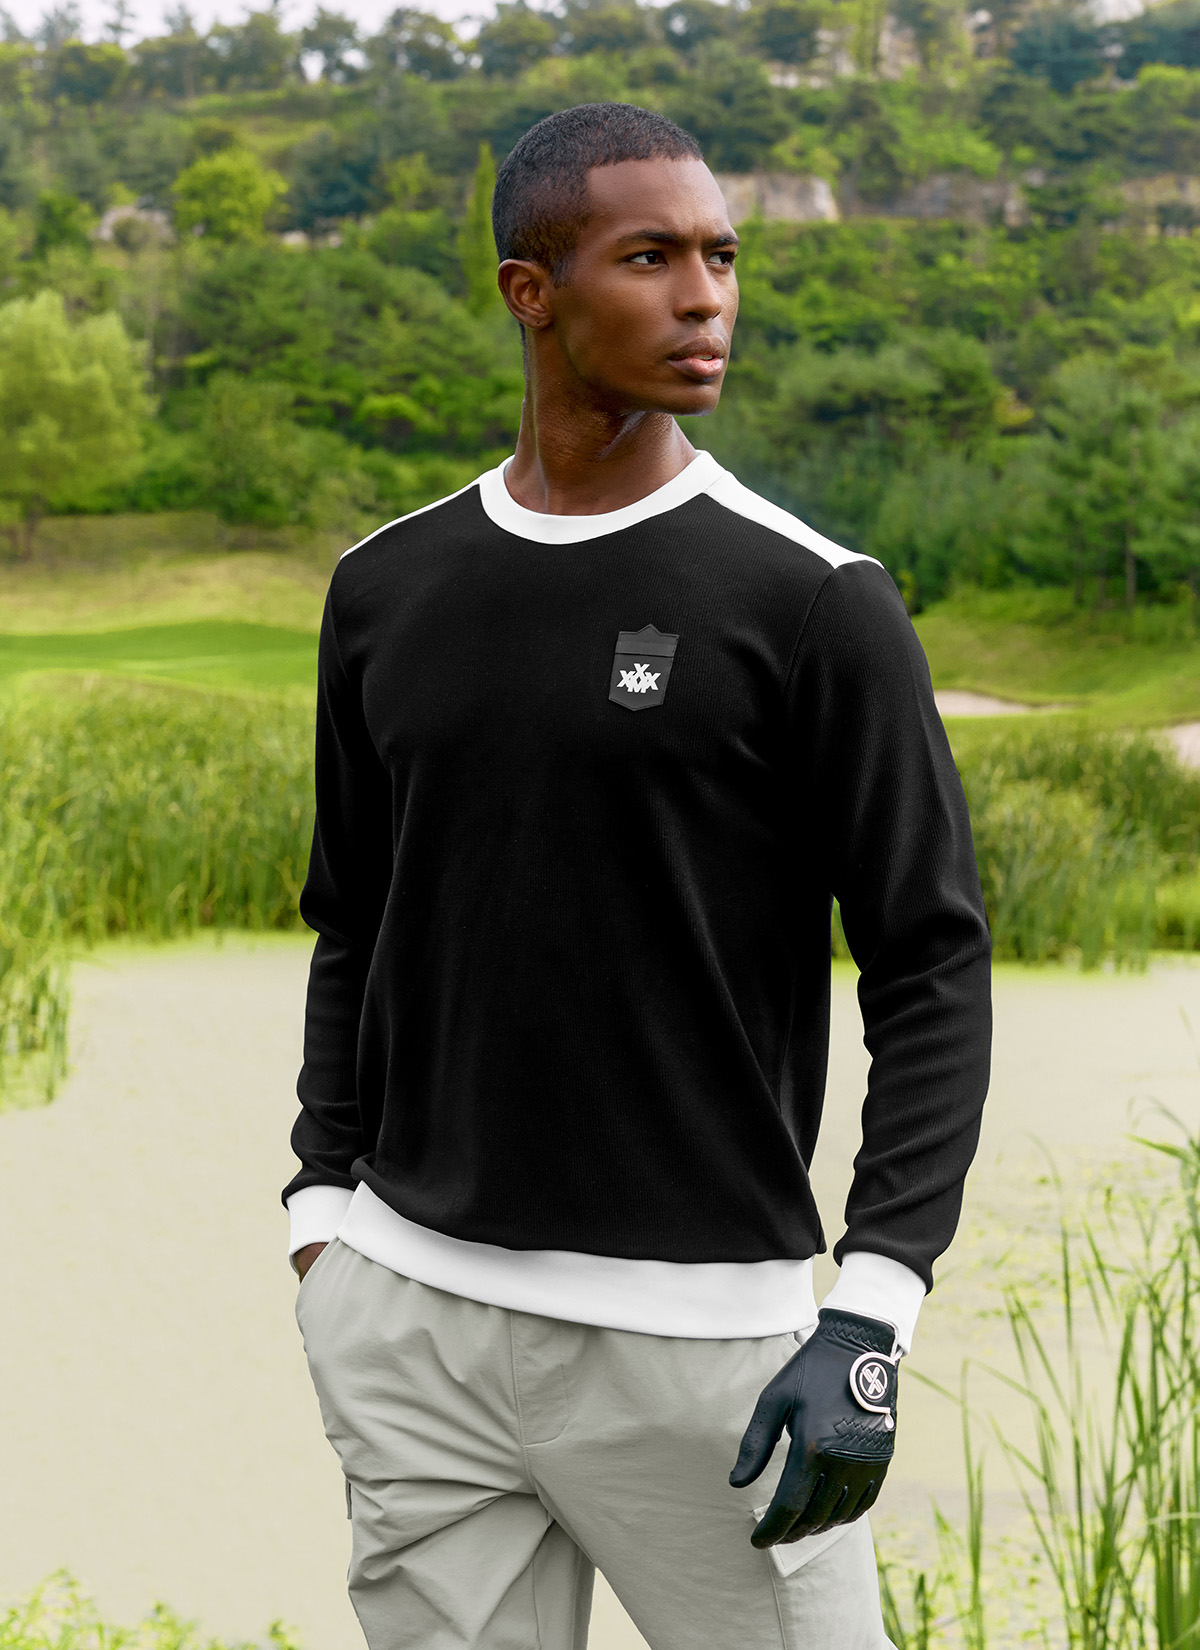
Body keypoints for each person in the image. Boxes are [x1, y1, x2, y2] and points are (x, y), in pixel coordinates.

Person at [284, 101, 992, 1650]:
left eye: (722, 258)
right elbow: (355, 918)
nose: (705, 298)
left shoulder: (812, 600)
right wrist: (321, 1210)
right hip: (412, 1323)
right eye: (652, 257)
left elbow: (932, 965)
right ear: (531, 291)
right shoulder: (384, 588)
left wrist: (873, 1308)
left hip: (710, 1358)